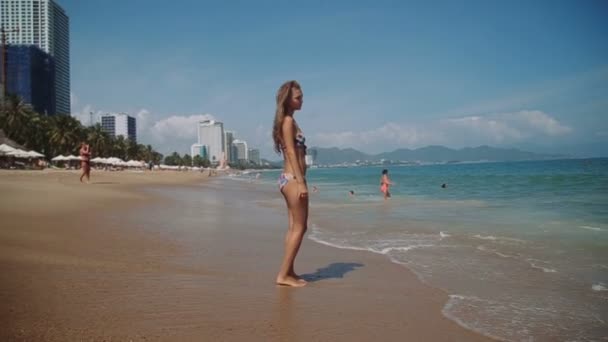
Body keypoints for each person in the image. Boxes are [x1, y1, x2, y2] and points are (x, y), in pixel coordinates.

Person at [272, 80, 308, 287]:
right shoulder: (287, 122)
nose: (302, 100)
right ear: (288, 100)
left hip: (288, 178)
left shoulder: (289, 121)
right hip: (293, 179)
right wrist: (301, 182)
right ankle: (283, 275)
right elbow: (292, 152)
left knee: (293, 227)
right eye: (298, 97)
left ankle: (289, 271)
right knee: (300, 228)